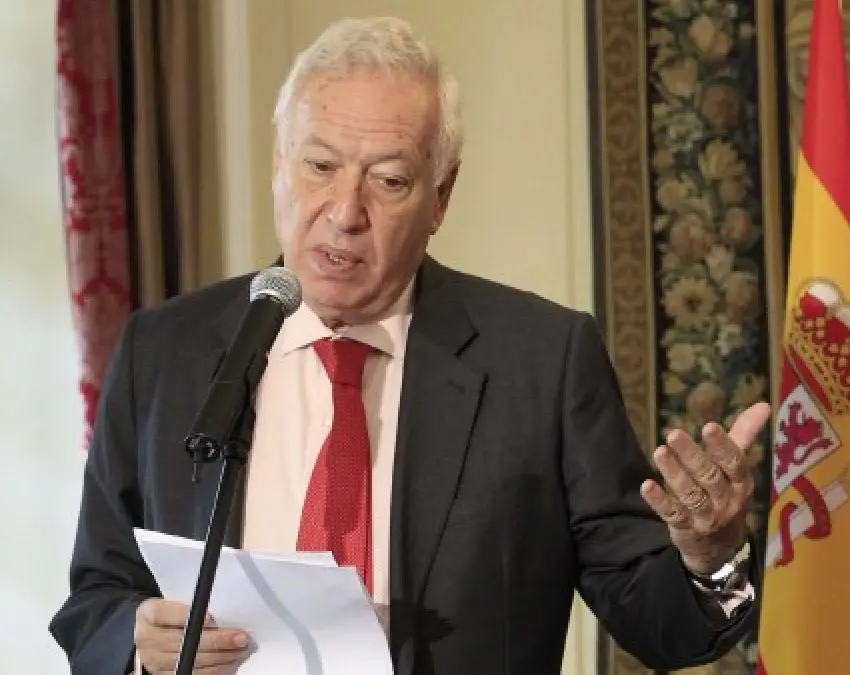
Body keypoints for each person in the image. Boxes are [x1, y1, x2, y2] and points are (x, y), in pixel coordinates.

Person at [49, 15, 767, 675]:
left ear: (440, 196)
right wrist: (137, 642)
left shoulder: (542, 362)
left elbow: (659, 623)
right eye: (319, 166)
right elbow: (96, 598)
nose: (344, 212)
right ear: (277, 162)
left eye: (388, 180)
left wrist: (710, 557)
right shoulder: (163, 352)